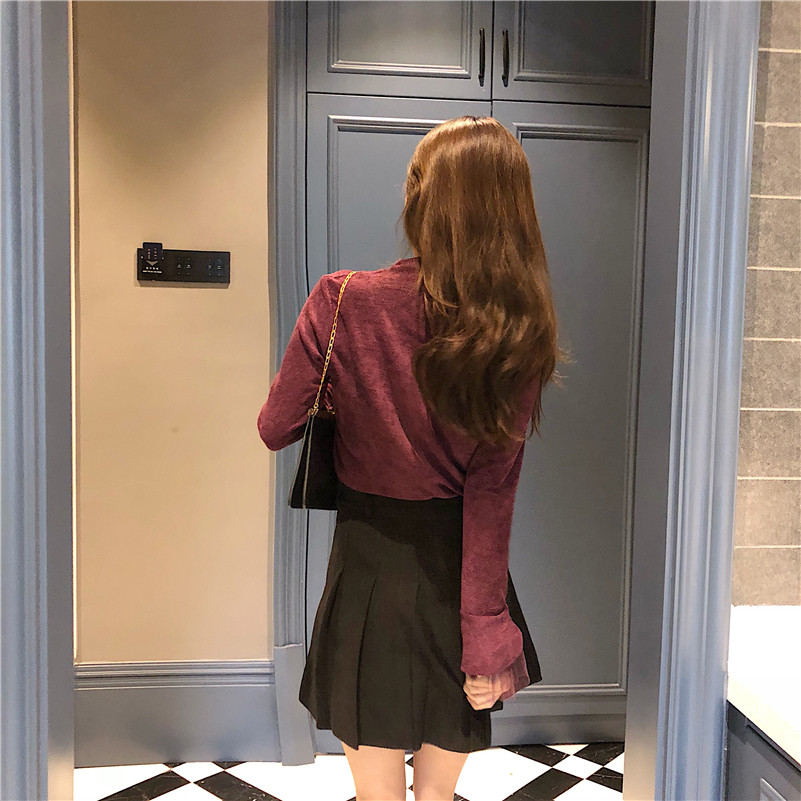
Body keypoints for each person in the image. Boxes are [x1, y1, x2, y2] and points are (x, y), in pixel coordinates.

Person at [257, 115, 568, 801]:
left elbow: (276, 426)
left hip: (366, 565)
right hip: (458, 578)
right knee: (434, 796)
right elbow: (492, 495)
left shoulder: (343, 300)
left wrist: (347, 390)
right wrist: (484, 632)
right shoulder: (517, 334)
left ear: (420, 197)